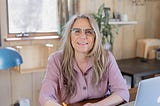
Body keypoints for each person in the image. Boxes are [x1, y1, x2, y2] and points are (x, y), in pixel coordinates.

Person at [39, 14, 129, 106]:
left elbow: (122, 92)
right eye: (77, 31)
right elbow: (45, 96)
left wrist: (97, 105)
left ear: (95, 37)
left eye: (89, 32)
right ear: (70, 35)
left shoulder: (106, 57)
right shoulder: (56, 60)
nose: (83, 36)